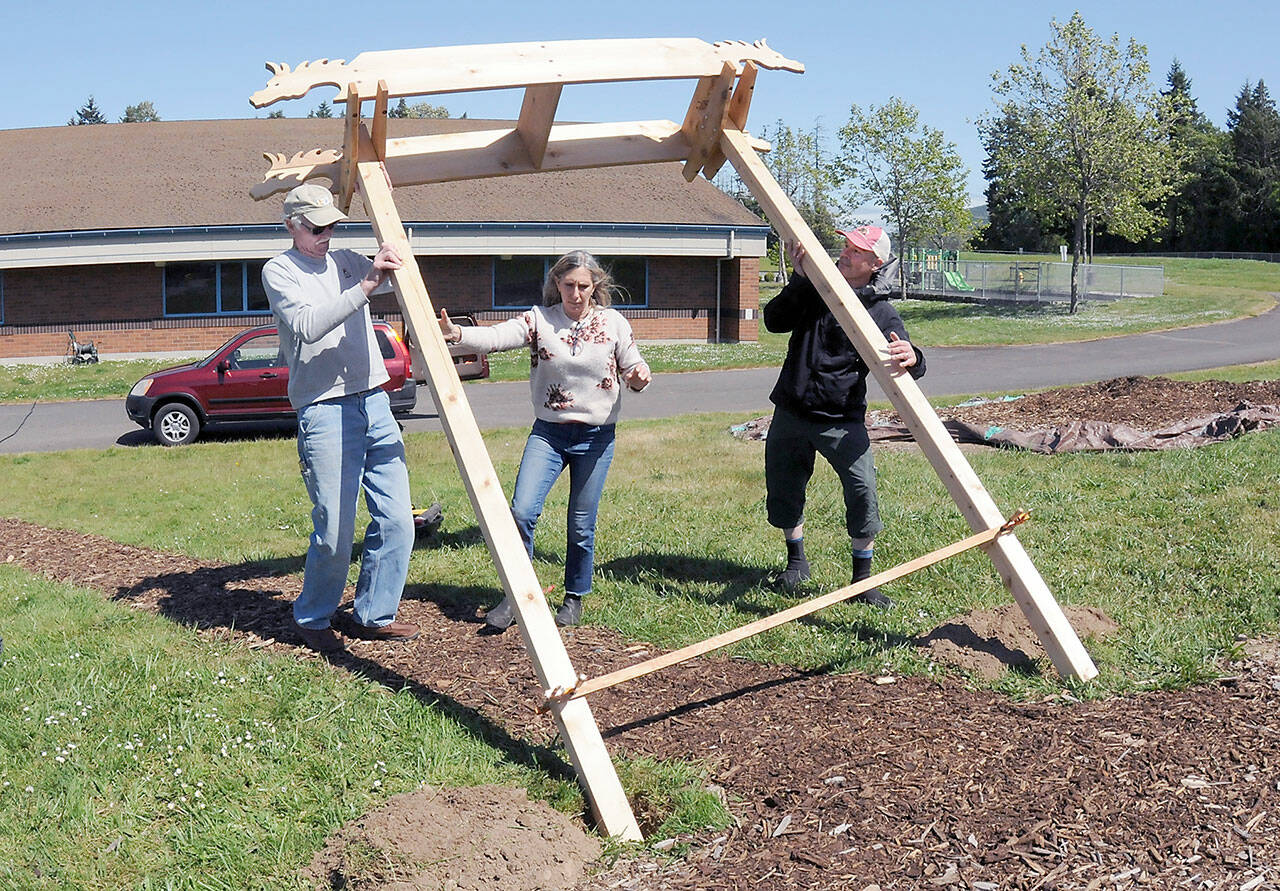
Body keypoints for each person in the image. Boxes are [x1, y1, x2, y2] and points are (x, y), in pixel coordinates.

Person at [438, 250, 651, 630]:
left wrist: (637, 375)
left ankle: (573, 598)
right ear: (557, 284)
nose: (575, 293)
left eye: (583, 286)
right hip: (549, 434)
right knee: (521, 512)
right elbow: (498, 335)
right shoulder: (540, 319)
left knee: (581, 523)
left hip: (596, 436)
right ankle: (517, 595)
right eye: (568, 285)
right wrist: (458, 334)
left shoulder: (613, 322)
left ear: (595, 286)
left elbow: (633, 362)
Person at [261, 183, 420, 652]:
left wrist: (394, 254)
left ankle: (373, 614)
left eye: (332, 224)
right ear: (292, 225)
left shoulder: (348, 258)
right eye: (317, 227)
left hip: (373, 400)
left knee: (397, 520)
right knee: (334, 524)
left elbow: (394, 276)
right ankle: (311, 617)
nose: (327, 234)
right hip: (324, 408)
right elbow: (309, 326)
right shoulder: (280, 271)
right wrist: (367, 284)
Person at [763, 226, 926, 609]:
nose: (846, 253)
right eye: (847, 246)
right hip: (792, 409)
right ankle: (796, 562)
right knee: (785, 486)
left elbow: (910, 361)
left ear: (875, 263)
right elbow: (773, 320)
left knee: (862, 490)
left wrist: (913, 355)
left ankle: (862, 581)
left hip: (841, 419)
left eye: (857, 251)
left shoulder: (879, 311)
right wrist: (799, 281)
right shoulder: (816, 290)